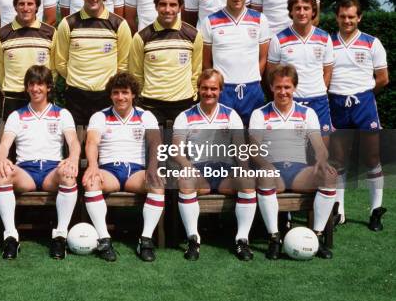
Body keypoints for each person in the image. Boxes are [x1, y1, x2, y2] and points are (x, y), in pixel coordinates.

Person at [249, 64, 337, 259]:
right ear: (271, 87)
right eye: (278, 87)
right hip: (273, 171)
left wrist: (322, 160)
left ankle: (316, 236)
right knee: (264, 176)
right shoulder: (260, 114)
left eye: (287, 87)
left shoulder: (307, 113)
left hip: (299, 172)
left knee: (330, 176)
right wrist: (265, 165)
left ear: (294, 88)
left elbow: (319, 146)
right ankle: (274, 238)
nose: (283, 92)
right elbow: (254, 150)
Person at [0, 65, 81, 260]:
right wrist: (1, 159)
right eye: (31, 84)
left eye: (40, 84)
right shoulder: (17, 115)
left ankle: (60, 236)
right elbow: (4, 144)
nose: (35, 89)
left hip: (52, 170)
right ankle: (10, 237)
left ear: (49, 87)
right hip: (26, 171)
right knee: (3, 175)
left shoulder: (62, 113)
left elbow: (74, 141)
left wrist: (73, 158)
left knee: (68, 174)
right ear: (26, 88)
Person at [172, 69, 256, 261]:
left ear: (220, 90)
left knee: (247, 180)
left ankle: (242, 239)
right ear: (198, 89)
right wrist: (186, 165)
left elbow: (240, 147)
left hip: (226, 171)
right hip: (199, 170)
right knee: (185, 181)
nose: (208, 93)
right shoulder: (185, 116)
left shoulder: (230, 115)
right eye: (204, 88)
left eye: (213, 89)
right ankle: (193, 239)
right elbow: (176, 150)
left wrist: (243, 167)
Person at [82, 73, 163, 262]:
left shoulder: (146, 116)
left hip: (136, 171)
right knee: (92, 181)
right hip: (109, 170)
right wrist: (93, 165)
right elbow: (92, 142)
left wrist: (153, 167)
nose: (120, 97)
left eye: (125, 92)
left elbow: (155, 143)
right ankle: (104, 239)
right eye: (116, 93)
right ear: (110, 95)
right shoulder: (100, 116)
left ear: (133, 94)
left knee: (157, 183)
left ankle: (145, 240)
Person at [329, 0, 389, 230]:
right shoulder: (327, 42)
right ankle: (339, 211)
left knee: (372, 158)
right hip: (335, 103)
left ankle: (375, 211)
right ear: (337, 17)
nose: (347, 20)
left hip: (363, 104)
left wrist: (360, 93)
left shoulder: (372, 43)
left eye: (351, 17)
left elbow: (383, 78)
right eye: (343, 16)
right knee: (338, 160)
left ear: (359, 17)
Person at [55, 0, 132, 125]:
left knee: (105, 146)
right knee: (75, 144)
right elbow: (60, 61)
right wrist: (78, 79)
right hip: (76, 95)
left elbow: (123, 63)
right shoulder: (68, 23)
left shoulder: (119, 24)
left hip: (106, 94)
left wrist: (109, 84)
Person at [200, 0, 270, 126]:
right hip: (223, 91)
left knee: (253, 141)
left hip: (252, 90)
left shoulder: (260, 20)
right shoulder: (210, 21)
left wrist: (250, 78)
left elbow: (263, 57)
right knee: (224, 141)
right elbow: (206, 62)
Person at [128, 0, 203, 125]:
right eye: (163, 4)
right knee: (153, 147)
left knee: (182, 147)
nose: (168, 10)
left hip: (184, 104)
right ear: (156, 6)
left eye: (173, 5)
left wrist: (192, 95)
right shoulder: (141, 37)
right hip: (151, 105)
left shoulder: (193, 35)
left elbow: (196, 72)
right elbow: (136, 74)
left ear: (180, 7)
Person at [267, 0, 334, 140]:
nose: (302, 12)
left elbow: (328, 71)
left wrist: (319, 90)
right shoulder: (278, 39)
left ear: (313, 11)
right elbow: (271, 74)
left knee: (321, 153)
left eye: (306, 8)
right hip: (291, 102)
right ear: (291, 11)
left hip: (319, 101)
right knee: (293, 154)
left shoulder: (324, 38)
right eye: (297, 8)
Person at [0, 0, 56, 119]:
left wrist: (45, 86)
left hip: (41, 94)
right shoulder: (1, 34)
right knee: (11, 139)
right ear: (15, 6)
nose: (26, 8)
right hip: (13, 95)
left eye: (30, 4)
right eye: (21, 4)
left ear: (37, 6)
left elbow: (54, 68)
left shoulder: (50, 33)